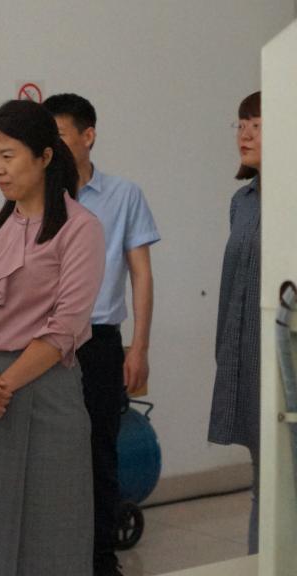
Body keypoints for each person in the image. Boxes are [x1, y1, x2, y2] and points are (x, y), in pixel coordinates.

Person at [0, 99, 104, 576]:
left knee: (50, 524)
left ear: (44, 157)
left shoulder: (80, 229)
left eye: (8, 156)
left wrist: (1, 386)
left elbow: (65, 327)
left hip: (43, 387)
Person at [44, 93, 160, 576]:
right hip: (44, 345)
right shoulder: (38, 196)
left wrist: (140, 347)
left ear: (88, 136)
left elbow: (141, 275)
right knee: (49, 453)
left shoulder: (124, 195)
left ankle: (100, 557)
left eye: (59, 135)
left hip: (99, 341)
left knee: (99, 451)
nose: (51, 146)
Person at [209, 90, 261, 555]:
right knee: (266, 477)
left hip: (283, 355)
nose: (243, 134)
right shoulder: (241, 202)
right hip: (247, 354)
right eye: (240, 124)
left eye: (257, 126)